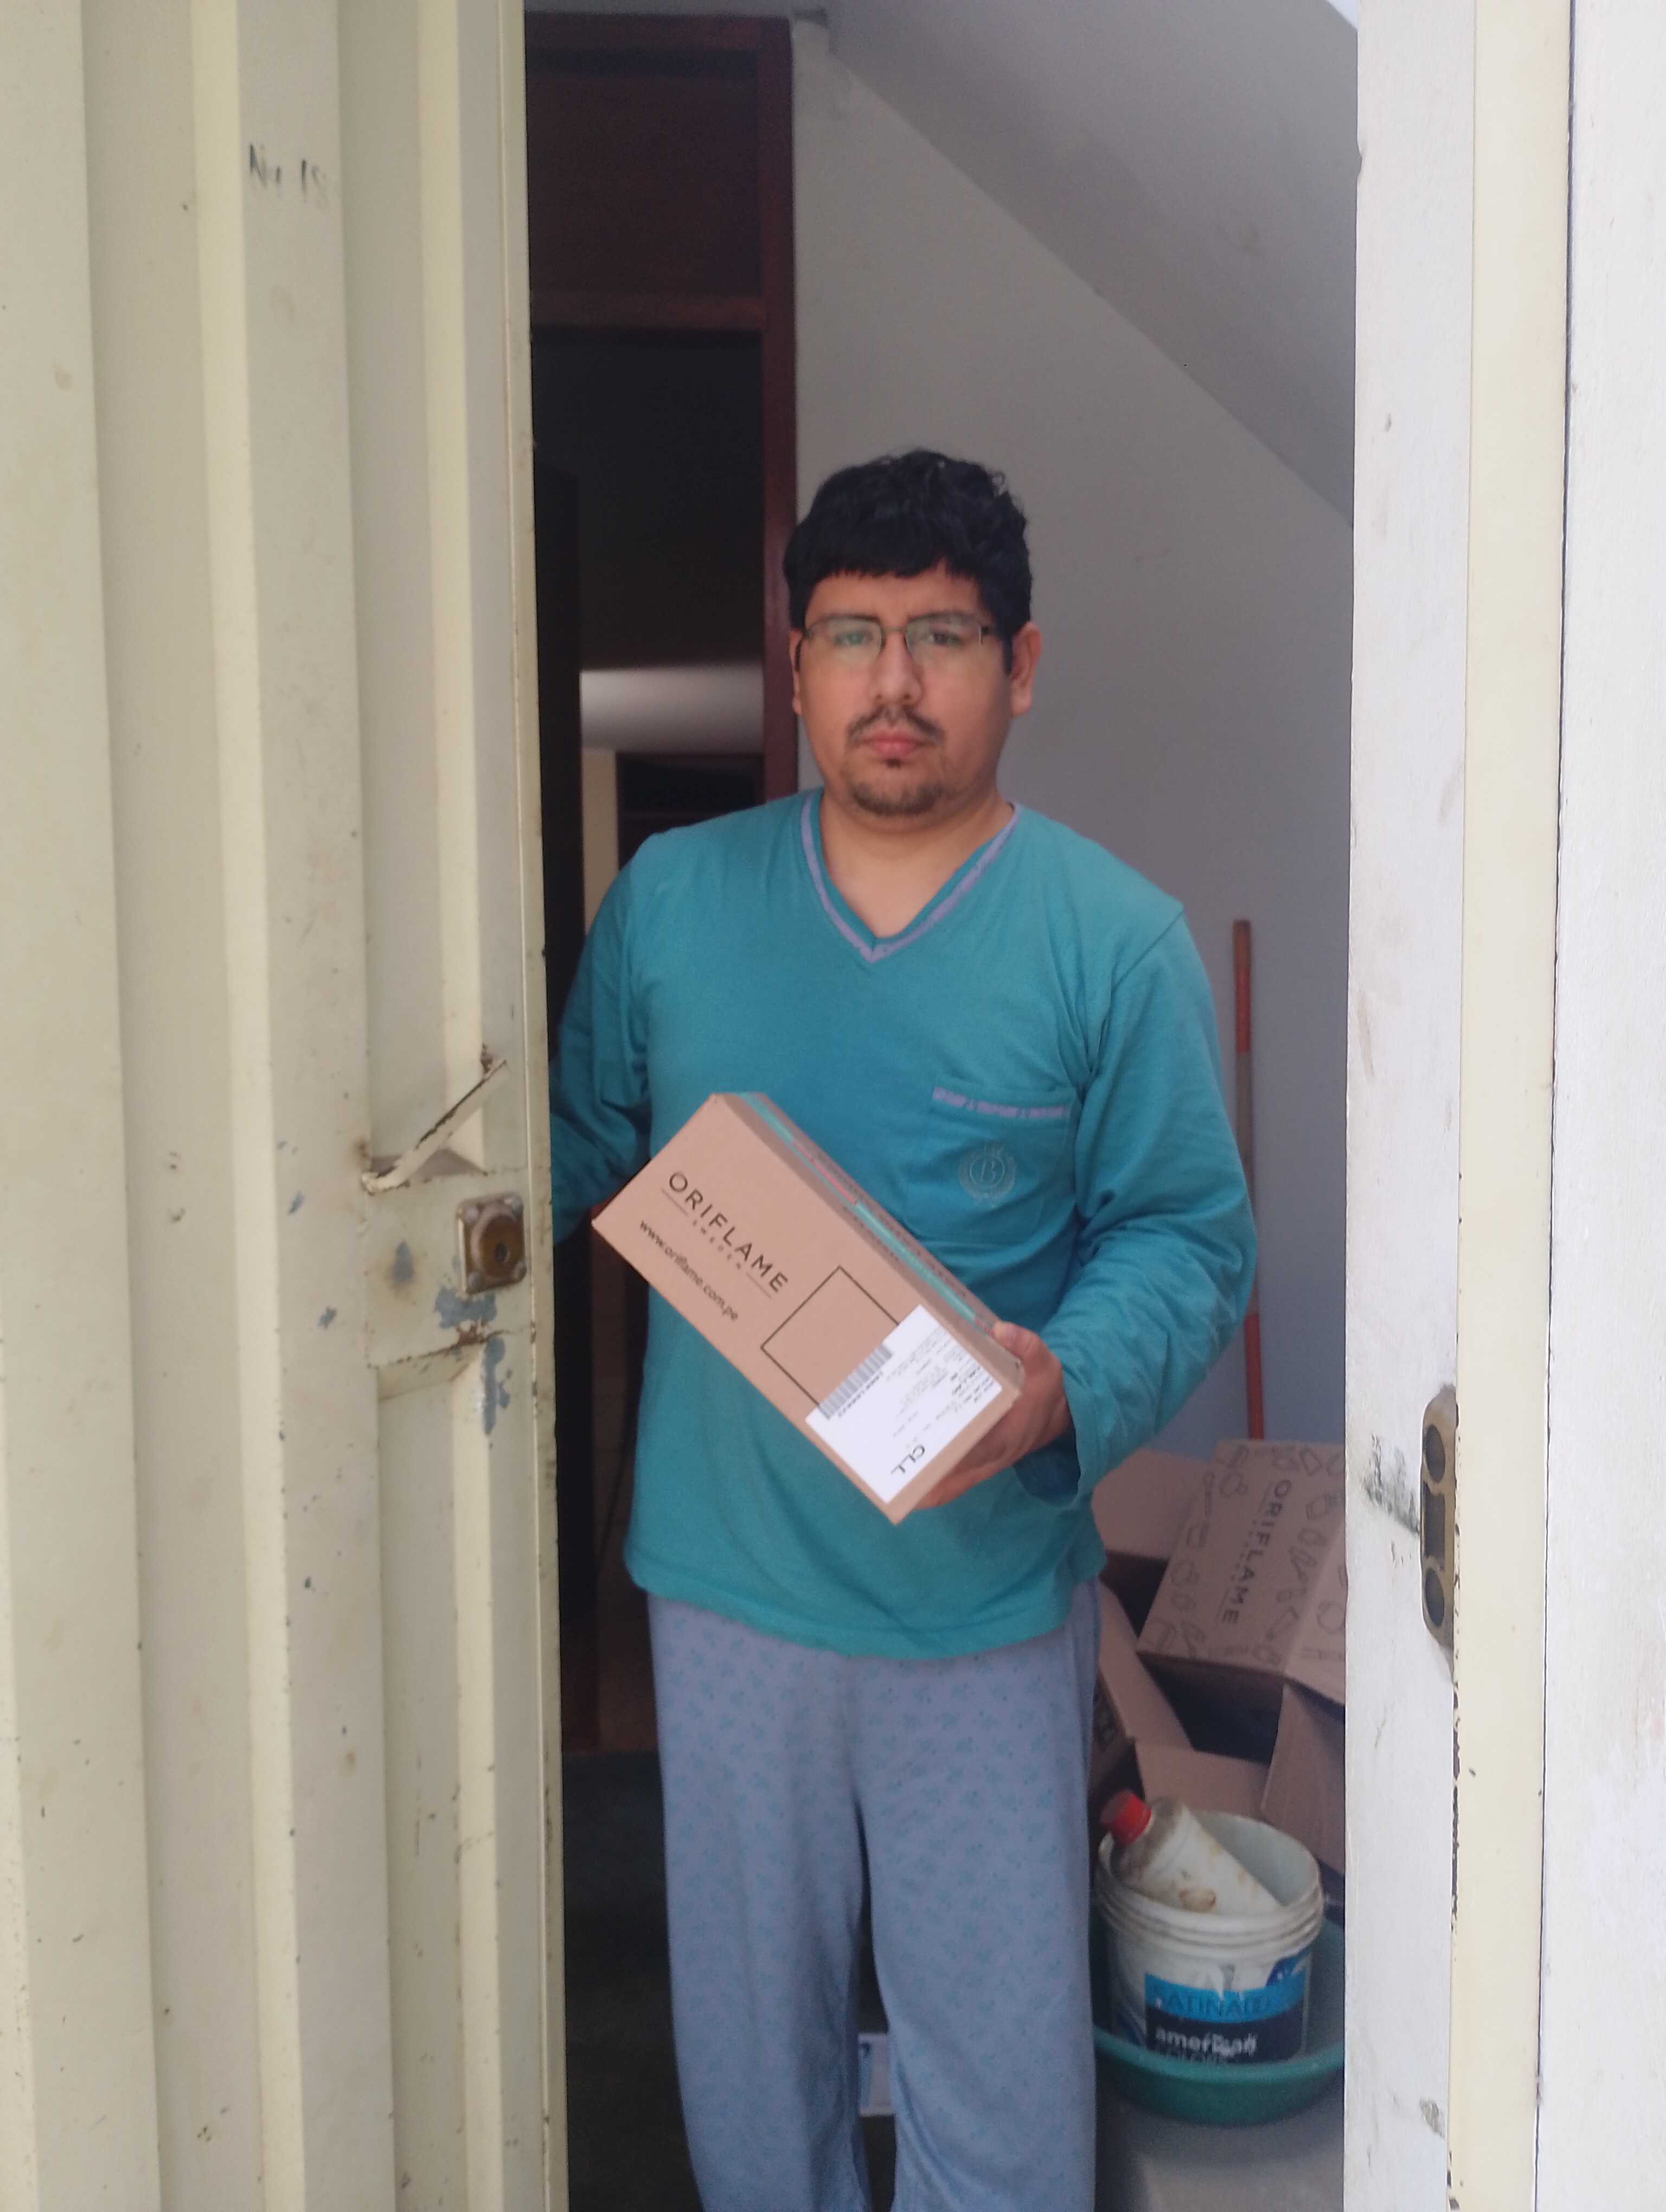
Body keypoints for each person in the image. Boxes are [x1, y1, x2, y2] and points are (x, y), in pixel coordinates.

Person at [550, 449, 1255, 2211]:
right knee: (749, 2053)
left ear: (1021, 667)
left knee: (998, 2075)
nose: (894, 681)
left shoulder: (1112, 941)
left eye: (942, 636)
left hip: (980, 1602)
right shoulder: (673, 904)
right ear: (795, 664)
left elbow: (1187, 1234)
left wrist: (1061, 1386)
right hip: (725, 1591)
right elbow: (569, 1152)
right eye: (852, 635)